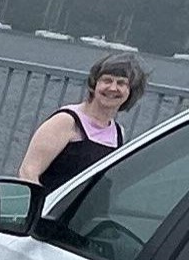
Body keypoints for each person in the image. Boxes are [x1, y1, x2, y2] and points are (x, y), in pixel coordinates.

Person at [17, 50, 146, 189]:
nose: (112, 88)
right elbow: (28, 171)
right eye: (107, 80)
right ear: (94, 84)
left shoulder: (118, 133)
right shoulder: (66, 121)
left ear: (131, 91)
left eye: (121, 83)